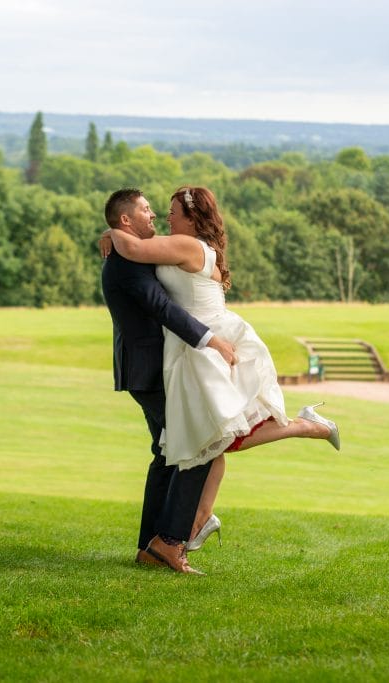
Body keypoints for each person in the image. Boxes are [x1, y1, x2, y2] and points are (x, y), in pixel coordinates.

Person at [104, 186, 340, 553]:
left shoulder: (187, 246)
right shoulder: (174, 244)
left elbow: (134, 248)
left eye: (170, 211)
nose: (162, 217)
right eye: (154, 210)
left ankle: (306, 427)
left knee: (216, 436)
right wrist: (112, 231)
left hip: (208, 343)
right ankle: (183, 529)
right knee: (212, 437)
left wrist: (111, 232)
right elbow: (136, 250)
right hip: (189, 348)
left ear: (191, 217)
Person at [101, 187, 238, 575]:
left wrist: (111, 234)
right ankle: (171, 543)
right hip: (146, 370)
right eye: (146, 211)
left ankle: (150, 546)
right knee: (197, 446)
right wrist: (212, 341)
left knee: (166, 454)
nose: (155, 216)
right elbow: (161, 308)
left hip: (149, 368)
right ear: (126, 219)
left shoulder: (129, 250)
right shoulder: (126, 262)